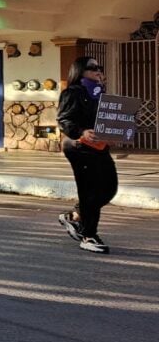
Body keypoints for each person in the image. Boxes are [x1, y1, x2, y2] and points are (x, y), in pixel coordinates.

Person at [57, 57, 116, 254]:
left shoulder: (100, 94)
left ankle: (75, 215)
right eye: (92, 68)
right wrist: (81, 132)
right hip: (78, 147)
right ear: (80, 71)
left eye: (100, 67)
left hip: (99, 146)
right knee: (89, 191)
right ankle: (89, 235)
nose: (98, 71)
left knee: (109, 188)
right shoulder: (73, 93)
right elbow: (64, 119)